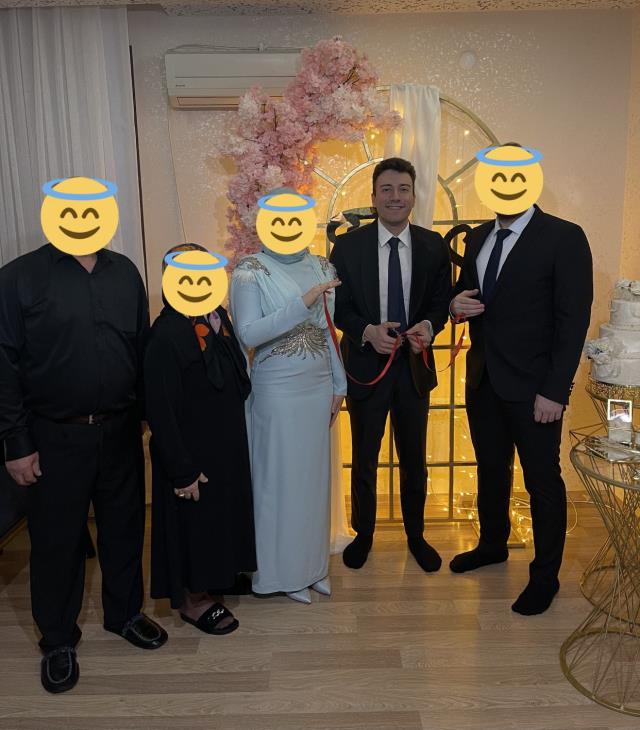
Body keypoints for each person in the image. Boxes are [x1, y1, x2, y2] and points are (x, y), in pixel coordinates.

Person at [0, 239, 166, 694]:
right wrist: (16, 443)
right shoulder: (19, 277)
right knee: (57, 541)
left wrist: (145, 412)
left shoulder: (125, 271)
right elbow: (4, 364)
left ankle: (124, 614)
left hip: (121, 429)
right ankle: (57, 639)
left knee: (125, 528)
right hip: (53, 436)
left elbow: (139, 345)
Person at [449, 171, 593, 615]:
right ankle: (493, 544)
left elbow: (573, 320)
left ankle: (545, 577)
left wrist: (555, 390)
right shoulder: (478, 237)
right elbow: (467, 295)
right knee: (491, 469)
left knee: (542, 481)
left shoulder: (565, 237)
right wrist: (455, 306)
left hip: (536, 389)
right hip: (483, 380)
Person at [330, 157, 452, 572]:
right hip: (367, 366)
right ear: (373, 197)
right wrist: (366, 331)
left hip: (414, 367)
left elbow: (440, 301)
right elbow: (339, 308)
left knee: (414, 458)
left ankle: (416, 536)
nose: (395, 197)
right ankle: (363, 535)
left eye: (403, 189)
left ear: (414, 196)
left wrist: (429, 326)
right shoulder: (348, 247)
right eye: (387, 189)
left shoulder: (433, 245)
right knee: (364, 456)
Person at [229, 190, 347, 604]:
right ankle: (279, 573)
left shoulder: (320, 266)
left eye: (294, 219)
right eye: (277, 219)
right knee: (279, 481)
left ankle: (312, 568)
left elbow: (327, 330)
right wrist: (302, 303)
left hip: (318, 387)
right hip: (277, 388)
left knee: (313, 481)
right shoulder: (249, 271)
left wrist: (339, 383)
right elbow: (249, 333)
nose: (286, 227)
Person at [144, 243, 256, 634]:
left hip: (223, 443)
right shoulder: (166, 334)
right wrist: (182, 470)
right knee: (194, 523)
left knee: (220, 515)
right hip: (190, 451)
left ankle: (219, 576)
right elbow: (160, 410)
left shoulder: (217, 318)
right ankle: (193, 600)